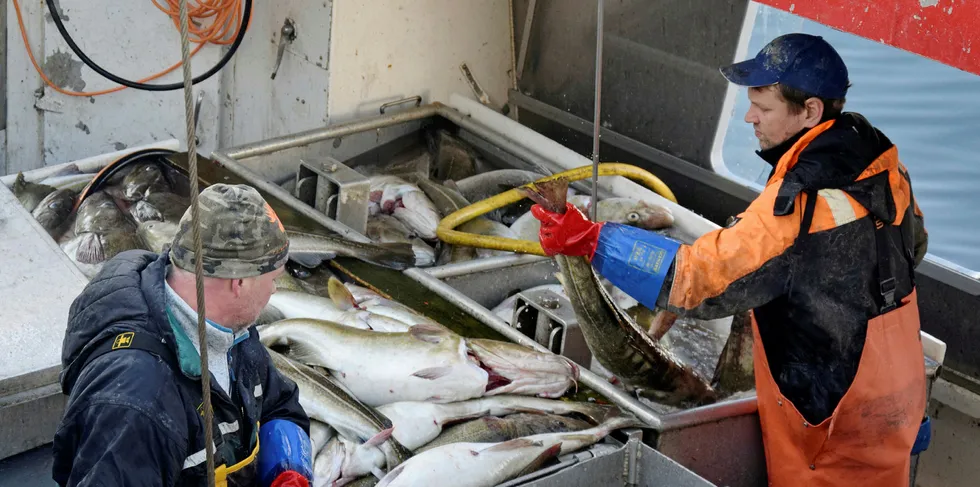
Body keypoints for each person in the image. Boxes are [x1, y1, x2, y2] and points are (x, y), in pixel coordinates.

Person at [530, 33, 930, 486]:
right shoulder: (882, 162)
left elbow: (693, 279)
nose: (749, 116)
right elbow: (913, 248)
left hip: (834, 420)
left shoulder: (798, 206)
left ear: (811, 111)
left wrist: (588, 239)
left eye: (764, 106)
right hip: (897, 385)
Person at [52, 183, 312, 487]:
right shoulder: (134, 404)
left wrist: (287, 469)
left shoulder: (232, 333)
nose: (274, 290)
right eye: (273, 278)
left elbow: (279, 403)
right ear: (240, 281)